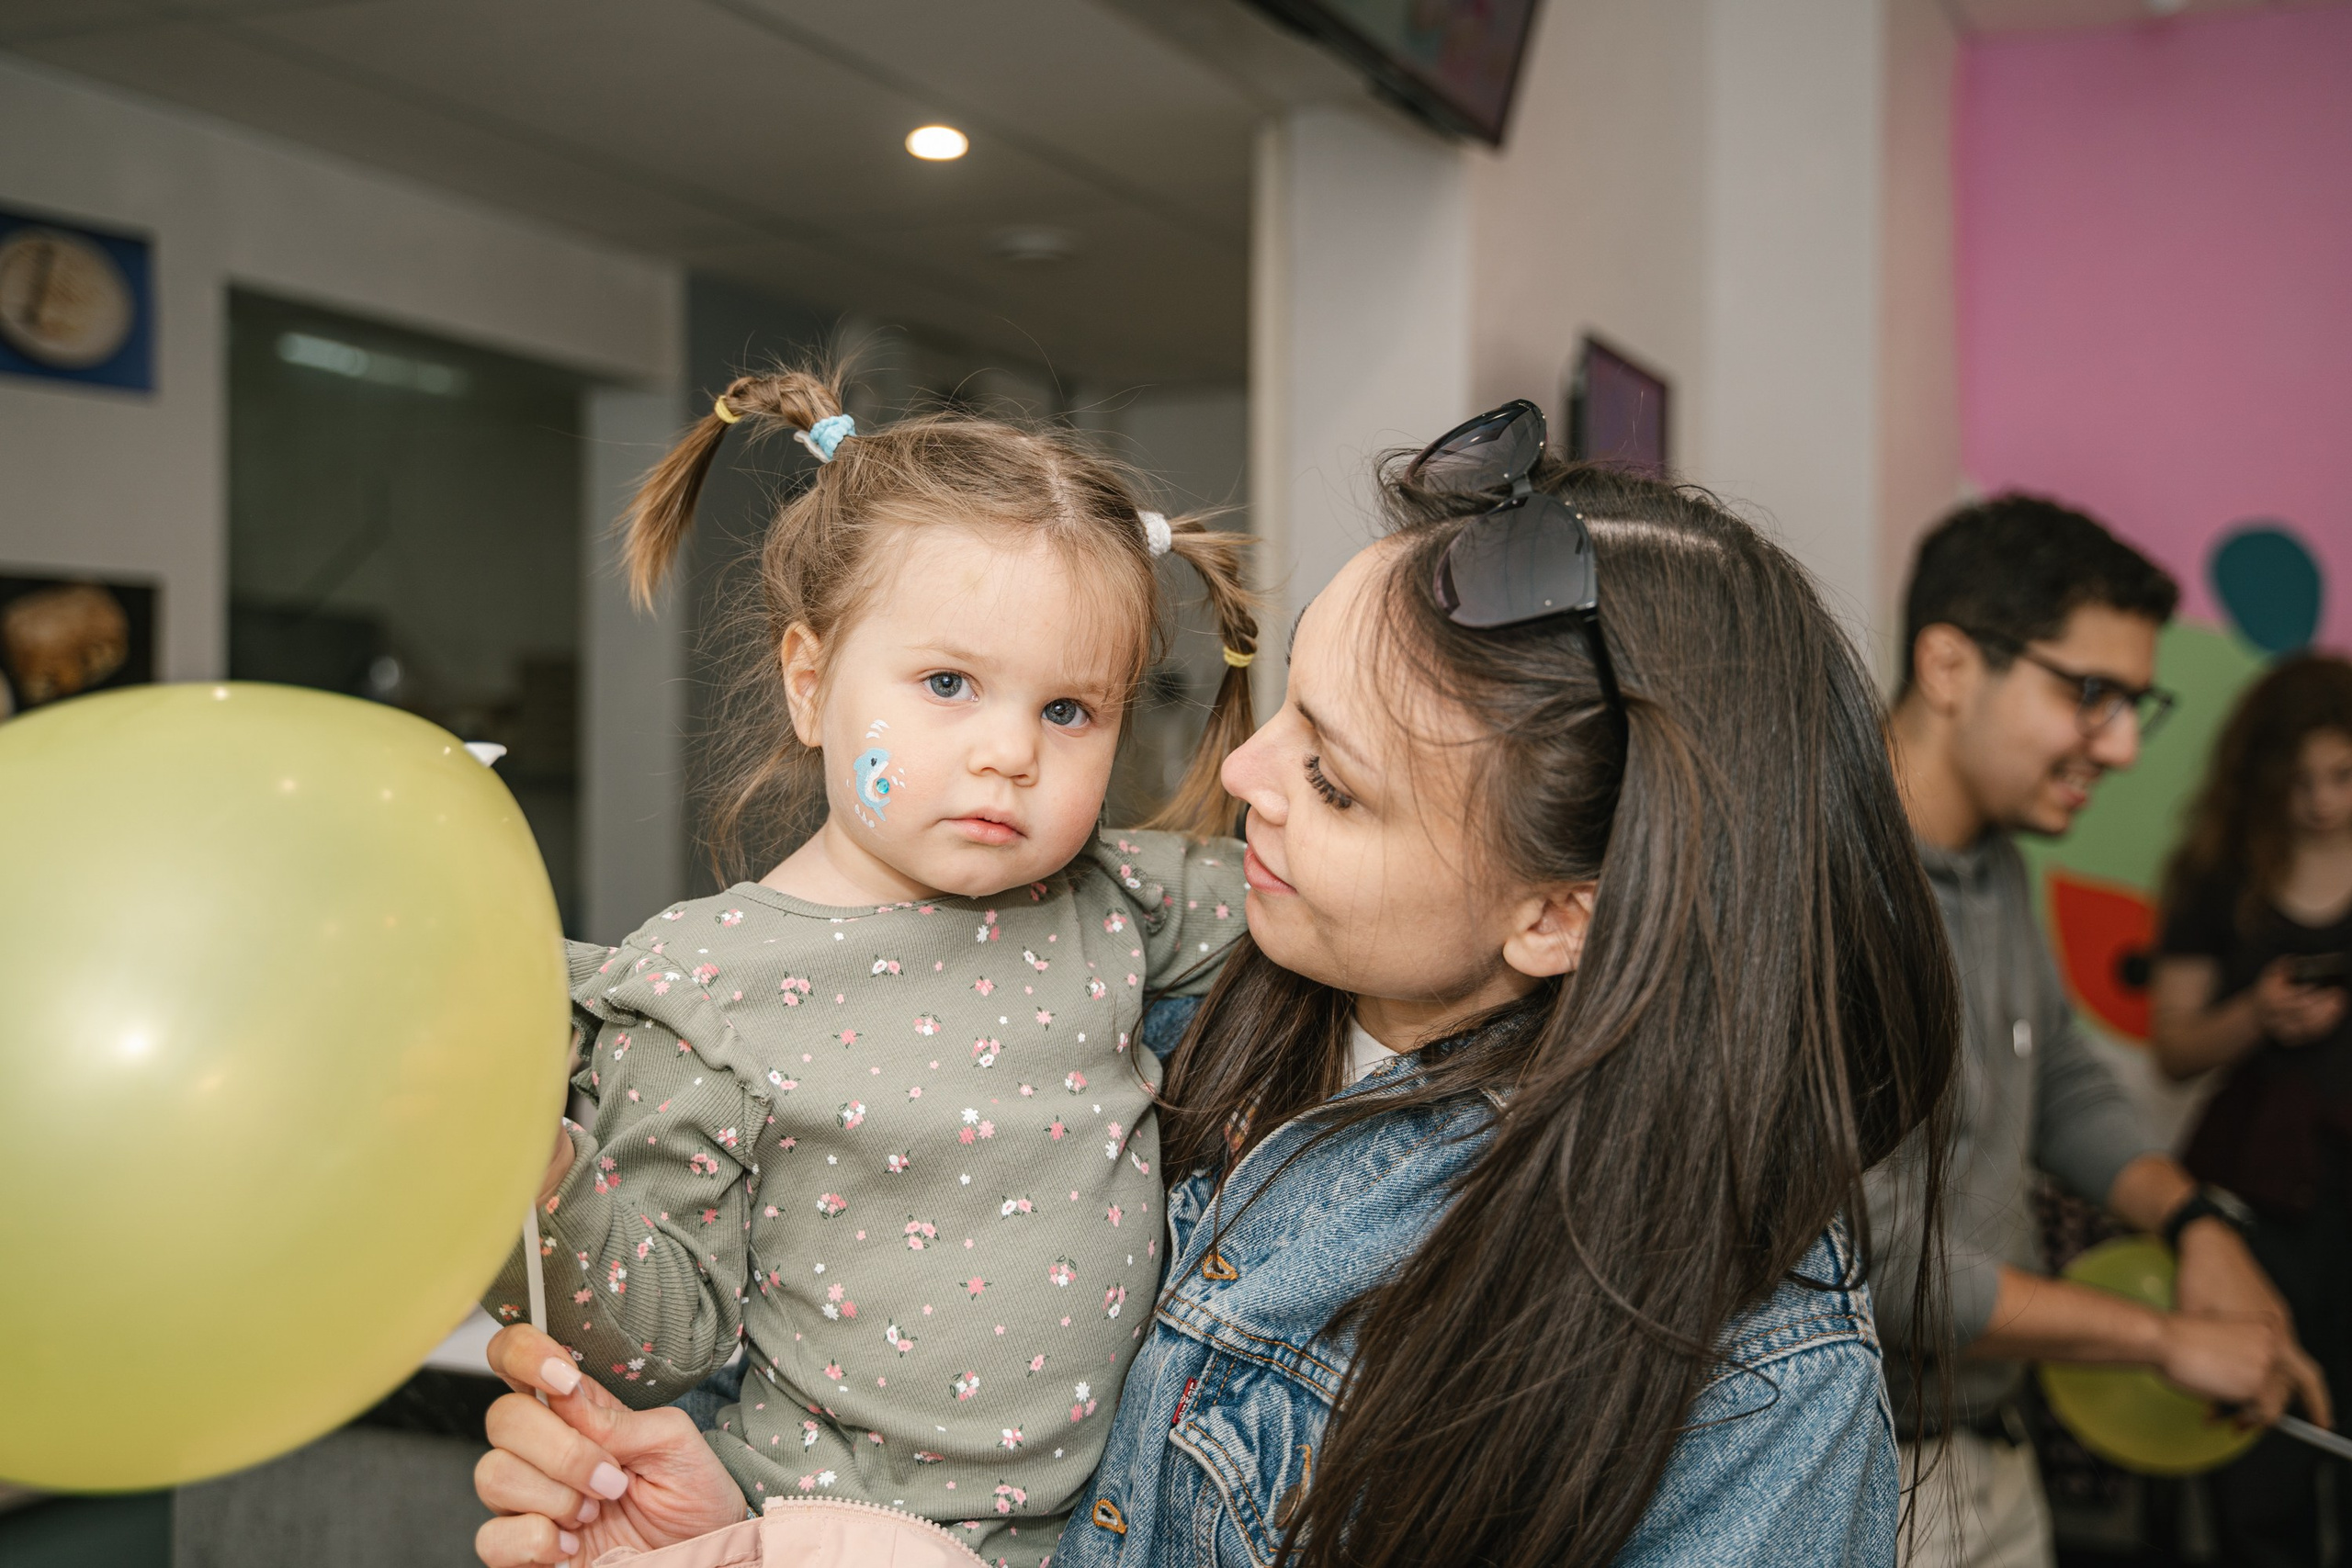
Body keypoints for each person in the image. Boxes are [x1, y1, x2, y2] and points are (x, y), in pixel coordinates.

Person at [469, 406, 1962, 1568]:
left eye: (1335, 778)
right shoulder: (1139, 1010)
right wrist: (744, 1508)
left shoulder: (1748, 1372)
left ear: (1559, 914)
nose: (1239, 780)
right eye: (1283, 710)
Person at [478, 366, 1261, 1568]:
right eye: (948, 684)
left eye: (1070, 709)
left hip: (1107, 1535)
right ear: (811, 682)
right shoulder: (700, 981)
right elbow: (659, 1333)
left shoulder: (1112, 891)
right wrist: (522, 1167)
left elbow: (1315, 888)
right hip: (820, 1527)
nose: (1009, 751)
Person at [1871, 494, 2334, 1568]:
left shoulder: (1996, 861)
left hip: (1991, 1447)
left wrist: (2197, 1230)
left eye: (2135, 703)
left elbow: (2064, 1083)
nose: (2121, 745)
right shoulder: (1832, 882)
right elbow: (1883, 1266)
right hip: (1859, 1466)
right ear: (1948, 667)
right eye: (2090, 695)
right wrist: (2164, 1340)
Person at [2151, 653, 2352, 1564]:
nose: (2320, 801)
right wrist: (2256, 1015)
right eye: (2299, 778)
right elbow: (2173, 1046)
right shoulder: (2215, 875)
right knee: (2261, 1467)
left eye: (2342, 775)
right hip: (2256, 1208)